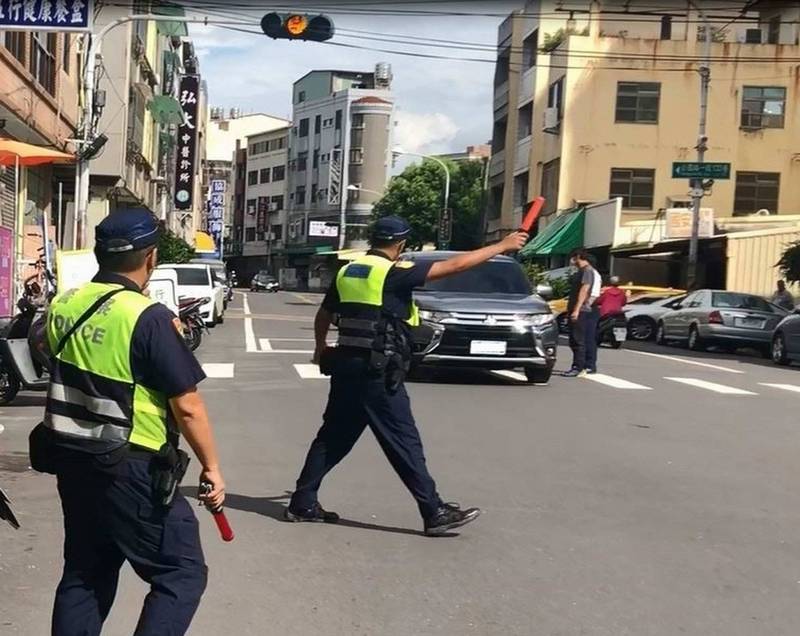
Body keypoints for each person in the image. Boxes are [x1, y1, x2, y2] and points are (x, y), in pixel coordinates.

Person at [32, 209, 225, 636]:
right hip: (132, 466)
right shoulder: (147, 317)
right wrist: (211, 467)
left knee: (85, 572)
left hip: (73, 457)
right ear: (150, 258)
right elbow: (187, 406)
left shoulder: (64, 303)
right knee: (181, 571)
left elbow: (43, 352)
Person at [286, 216, 528, 536]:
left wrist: (319, 349)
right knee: (403, 440)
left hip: (346, 366)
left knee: (333, 437)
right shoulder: (394, 273)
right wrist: (503, 246)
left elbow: (324, 314)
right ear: (400, 244)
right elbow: (455, 266)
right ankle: (434, 510)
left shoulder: (349, 270)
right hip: (377, 370)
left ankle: (302, 501)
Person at [564, 248, 601, 377]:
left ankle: (578, 367)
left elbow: (585, 290)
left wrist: (577, 309)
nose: (572, 261)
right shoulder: (584, 271)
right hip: (583, 309)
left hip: (583, 310)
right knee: (579, 339)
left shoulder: (587, 271)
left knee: (578, 339)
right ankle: (584, 366)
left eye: (573, 257)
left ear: (578, 257)